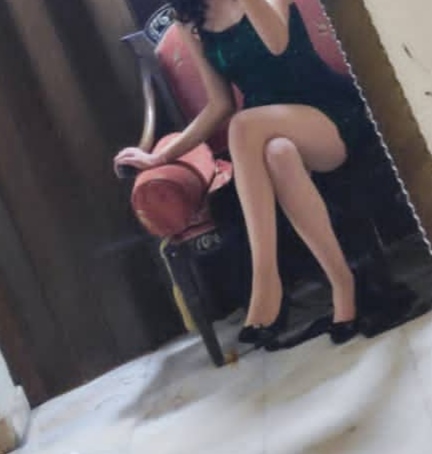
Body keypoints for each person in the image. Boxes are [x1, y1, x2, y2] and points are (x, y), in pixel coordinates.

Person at [114, 0, 368, 347]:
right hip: (267, 132)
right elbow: (220, 105)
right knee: (277, 153)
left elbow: (277, 45)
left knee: (244, 126)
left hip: (326, 113)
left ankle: (265, 279)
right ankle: (343, 286)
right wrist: (159, 157)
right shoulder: (190, 21)